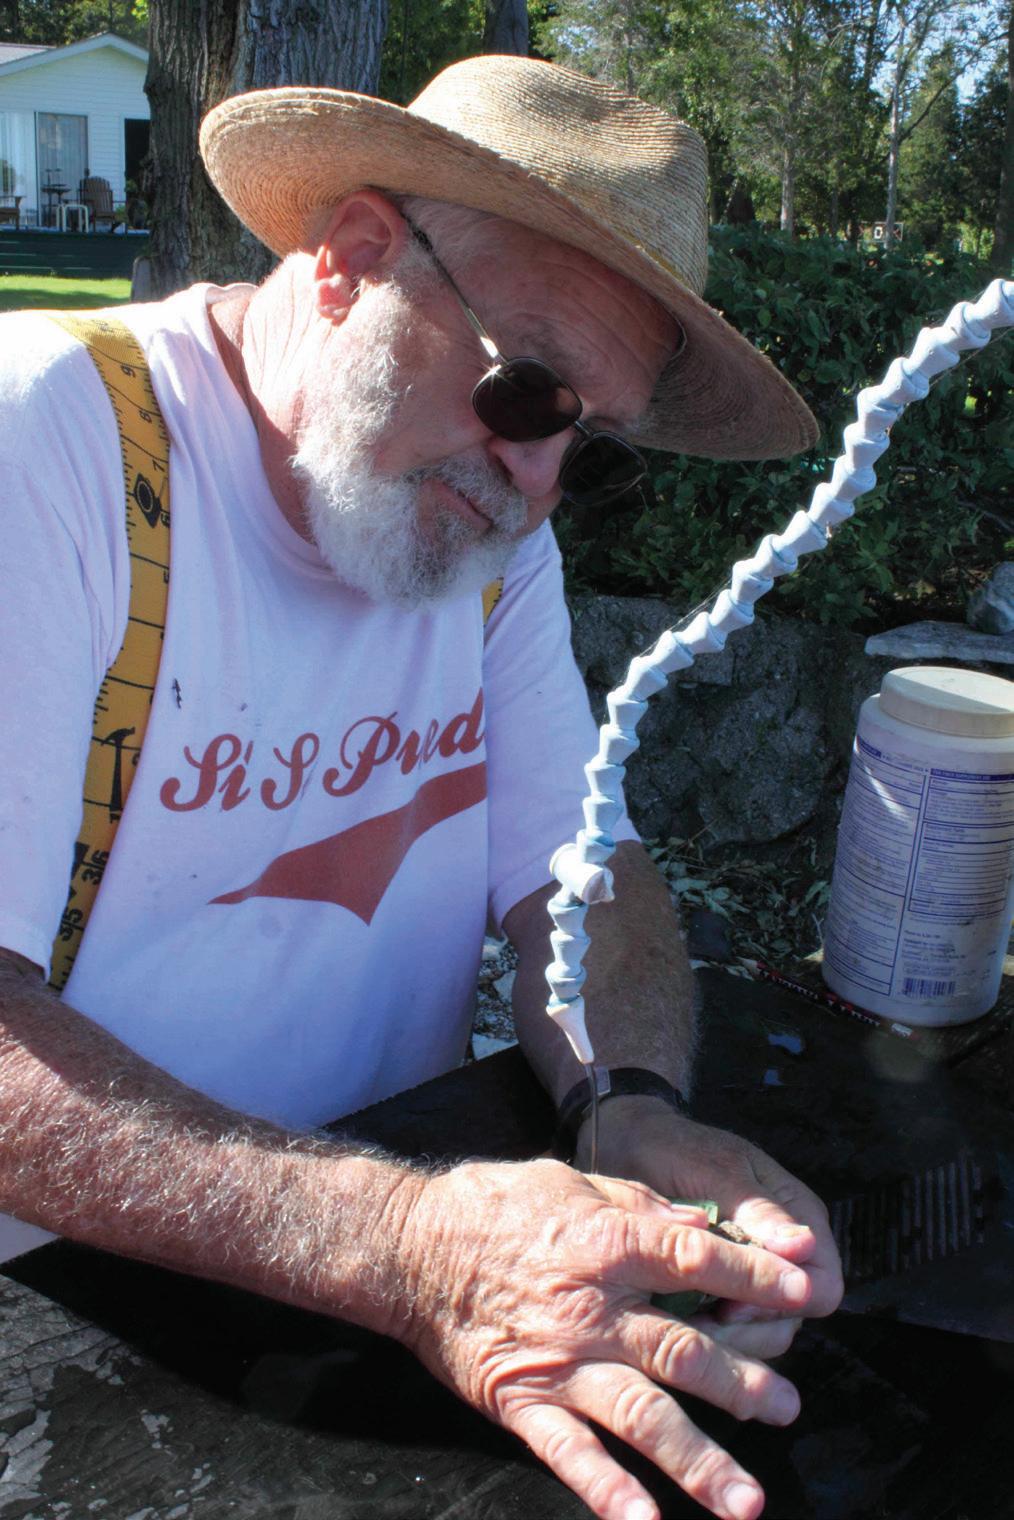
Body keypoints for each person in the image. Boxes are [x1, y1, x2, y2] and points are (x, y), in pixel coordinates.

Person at [0, 54, 842, 1520]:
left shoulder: (481, 531)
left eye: (589, 449)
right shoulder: (52, 446)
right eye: (525, 389)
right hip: (68, 1330)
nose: (537, 479)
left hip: (376, 1284)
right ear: (353, 259)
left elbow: (576, 866)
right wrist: (408, 1244)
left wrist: (625, 1098)